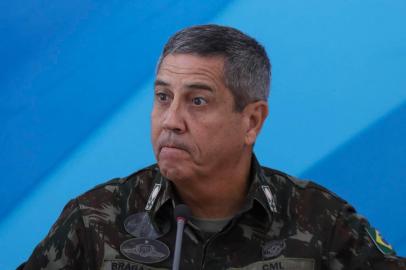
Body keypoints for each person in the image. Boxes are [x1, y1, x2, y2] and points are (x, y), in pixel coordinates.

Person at [19, 24, 405, 270]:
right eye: (163, 97)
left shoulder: (322, 221)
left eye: (197, 101)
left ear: (251, 121)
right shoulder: (94, 220)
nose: (171, 120)